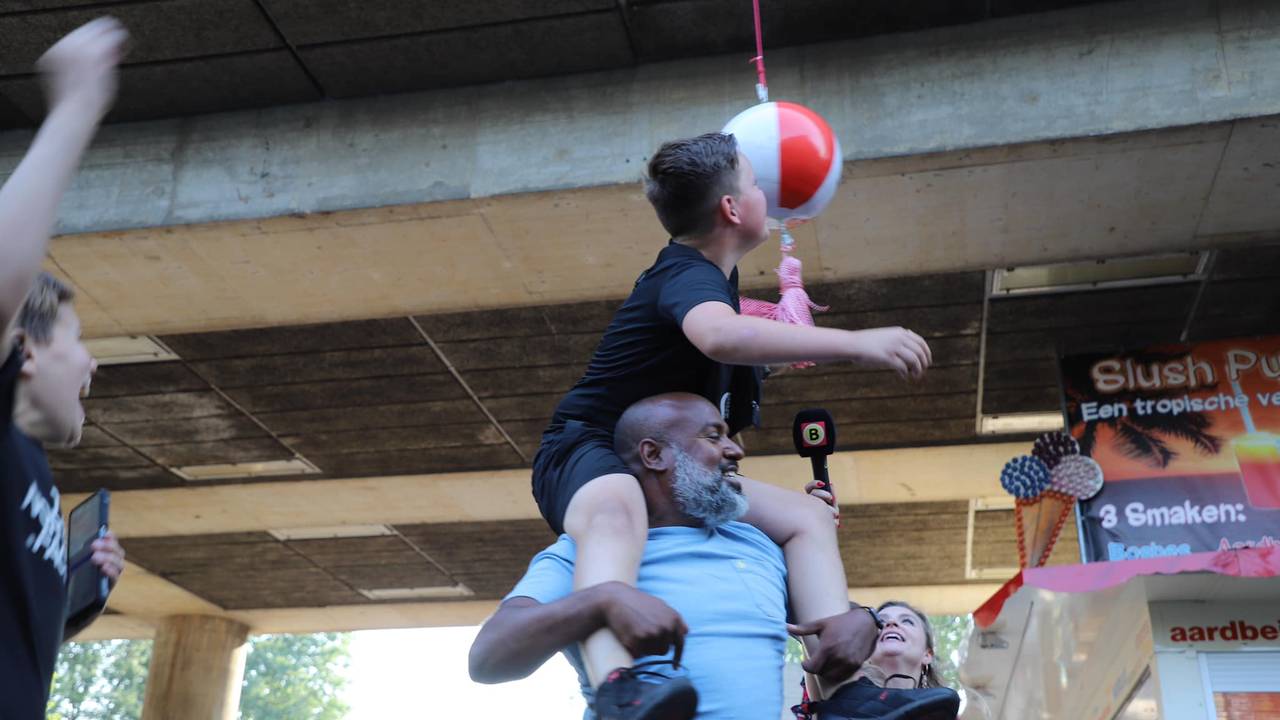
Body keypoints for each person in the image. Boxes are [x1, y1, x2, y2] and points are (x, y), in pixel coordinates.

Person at [534, 132, 933, 718]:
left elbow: (724, 379)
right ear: (731, 208)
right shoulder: (688, 276)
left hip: (669, 460)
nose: (764, 193)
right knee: (617, 507)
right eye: (754, 183)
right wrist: (856, 343)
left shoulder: (714, 283)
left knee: (807, 516)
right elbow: (720, 334)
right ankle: (620, 684)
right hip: (589, 447)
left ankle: (846, 698)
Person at [473, 393, 925, 719]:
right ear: (654, 455)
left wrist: (862, 618)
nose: (736, 450)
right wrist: (601, 600)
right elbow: (487, 659)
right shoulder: (584, 553)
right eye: (714, 437)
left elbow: (823, 620)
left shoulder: (762, 546)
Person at [1, 18, 130, 719]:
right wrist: (78, 104)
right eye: (77, 338)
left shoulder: (34, 474)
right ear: (22, 352)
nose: (93, 360)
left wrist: (66, 614)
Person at [793, 602, 961, 720]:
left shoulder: (944, 712)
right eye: (881, 622)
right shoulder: (832, 678)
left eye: (907, 621)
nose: (891, 623)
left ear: (927, 654)